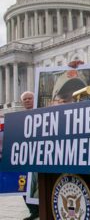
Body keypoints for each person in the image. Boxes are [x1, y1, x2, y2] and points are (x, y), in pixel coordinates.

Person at [20, 91, 39, 220]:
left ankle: (40, 208)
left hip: (38, 155)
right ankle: (33, 211)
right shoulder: (18, 117)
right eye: (25, 99)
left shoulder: (42, 113)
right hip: (24, 156)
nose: (27, 100)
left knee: (38, 185)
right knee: (22, 186)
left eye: (30, 98)